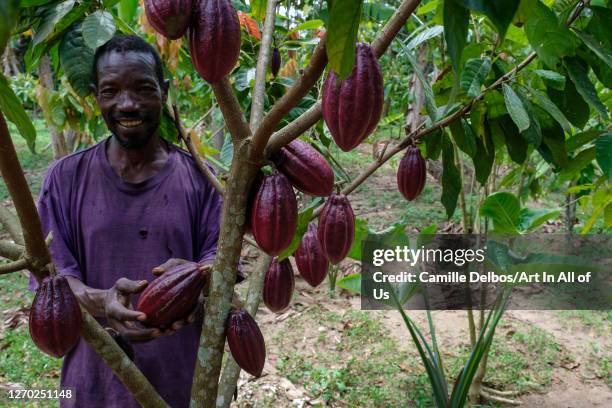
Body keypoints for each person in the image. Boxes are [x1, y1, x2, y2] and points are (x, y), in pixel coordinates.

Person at [29, 35, 223, 407]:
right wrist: (102, 301)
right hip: (92, 388)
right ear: (95, 96)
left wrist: (198, 280)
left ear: (164, 92)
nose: (127, 104)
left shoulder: (203, 179)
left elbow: (222, 264)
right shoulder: (65, 178)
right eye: (111, 91)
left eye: (143, 89)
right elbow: (50, 279)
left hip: (181, 387)